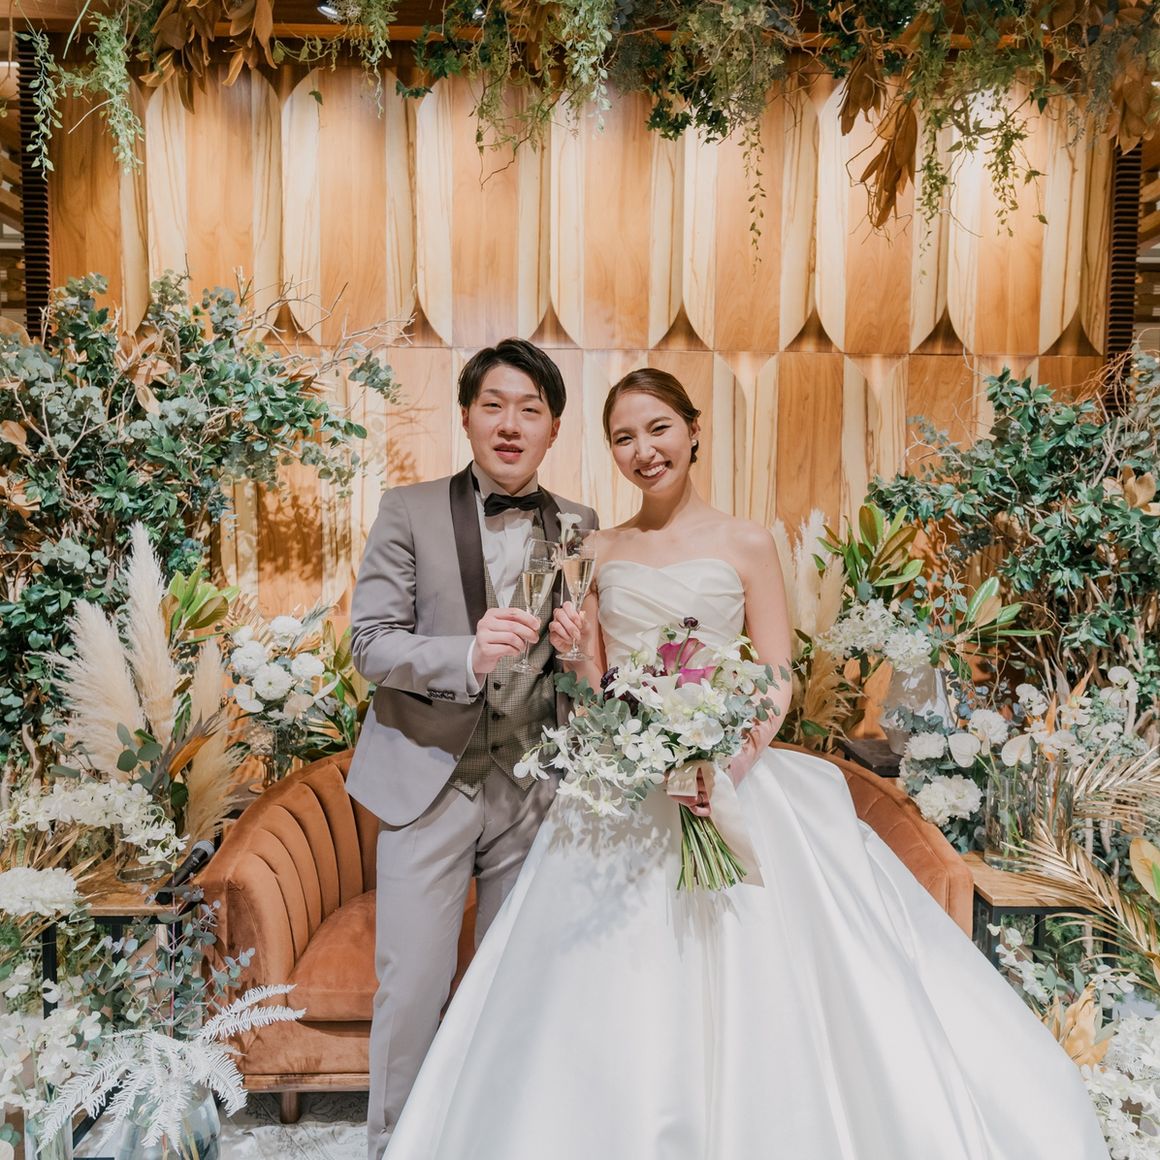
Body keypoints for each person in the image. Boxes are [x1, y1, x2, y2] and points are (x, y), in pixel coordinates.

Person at [382, 368, 1110, 1159]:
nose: (643, 450)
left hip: (728, 779)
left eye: (658, 428)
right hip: (628, 785)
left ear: (694, 431)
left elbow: (775, 674)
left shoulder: (747, 542)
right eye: (623, 437)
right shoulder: (597, 545)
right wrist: (583, 659)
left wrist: (727, 760)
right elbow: (597, 685)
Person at [347, 338, 597, 1160]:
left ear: (553, 427)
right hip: (429, 781)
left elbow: (582, 662)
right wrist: (464, 654)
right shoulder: (407, 509)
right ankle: (393, 1146)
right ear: (467, 417)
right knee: (414, 987)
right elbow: (371, 644)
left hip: (533, 789)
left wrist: (577, 652)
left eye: (530, 409)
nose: (511, 424)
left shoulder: (581, 526)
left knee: (513, 987)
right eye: (495, 405)